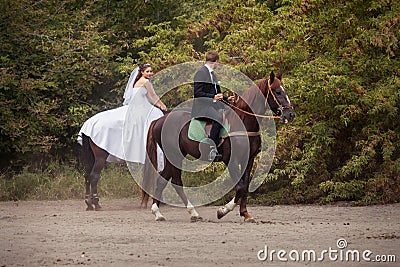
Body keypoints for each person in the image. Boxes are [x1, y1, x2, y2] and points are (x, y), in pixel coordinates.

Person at [78, 62, 166, 166]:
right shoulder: (145, 81)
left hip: (138, 106)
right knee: (157, 116)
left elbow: (147, 97)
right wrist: (162, 105)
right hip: (141, 107)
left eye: (151, 71)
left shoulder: (137, 82)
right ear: (142, 72)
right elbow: (153, 96)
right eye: (147, 71)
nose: (150, 73)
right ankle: (149, 151)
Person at [191, 51, 235, 161]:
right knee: (218, 118)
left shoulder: (212, 74)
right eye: (218, 63)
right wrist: (213, 97)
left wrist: (226, 98)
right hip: (201, 107)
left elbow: (217, 93)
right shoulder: (201, 73)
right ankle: (211, 148)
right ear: (216, 62)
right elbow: (197, 93)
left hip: (212, 106)